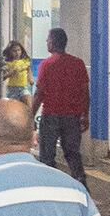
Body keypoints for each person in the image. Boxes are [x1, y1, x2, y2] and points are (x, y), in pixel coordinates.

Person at [31, 26, 89, 182]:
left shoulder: (47, 64)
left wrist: (30, 116)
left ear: (53, 42)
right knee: (72, 154)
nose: (46, 43)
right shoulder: (78, 63)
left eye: (47, 40)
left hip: (51, 116)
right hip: (72, 117)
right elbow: (85, 92)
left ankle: (51, 186)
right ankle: (81, 185)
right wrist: (85, 114)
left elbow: (39, 93)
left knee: (47, 156)